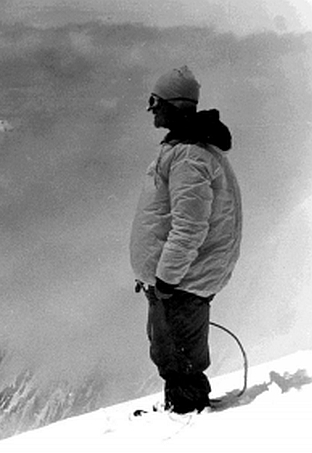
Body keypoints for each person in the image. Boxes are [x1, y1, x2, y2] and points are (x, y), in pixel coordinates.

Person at [129, 66, 243, 414]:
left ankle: (186, 416)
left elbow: (190, 226)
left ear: (174, 105)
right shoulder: (188, 151)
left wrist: (167, 277)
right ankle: (182, 408)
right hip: (182, 278)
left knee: (178, 355)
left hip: (181, 281)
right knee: (172, 351)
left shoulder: (189, 157)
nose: (151, 108)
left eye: (155, 101)